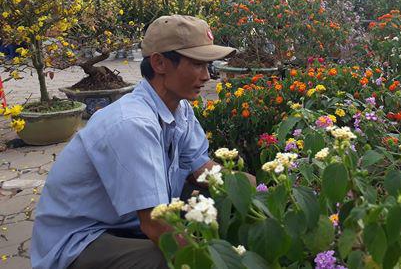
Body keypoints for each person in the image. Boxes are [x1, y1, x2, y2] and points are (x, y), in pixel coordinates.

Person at [31, 15, 251, 269]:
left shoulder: (179, 109)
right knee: (168, 257)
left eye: (209, 66)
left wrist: (256, 193)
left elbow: (203, 171)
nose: (207, 76)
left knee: (214, 200)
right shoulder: (133, 124)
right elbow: (155, 223)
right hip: (81, 240)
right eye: (198, 65)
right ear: (159, 63)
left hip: (123, 223)